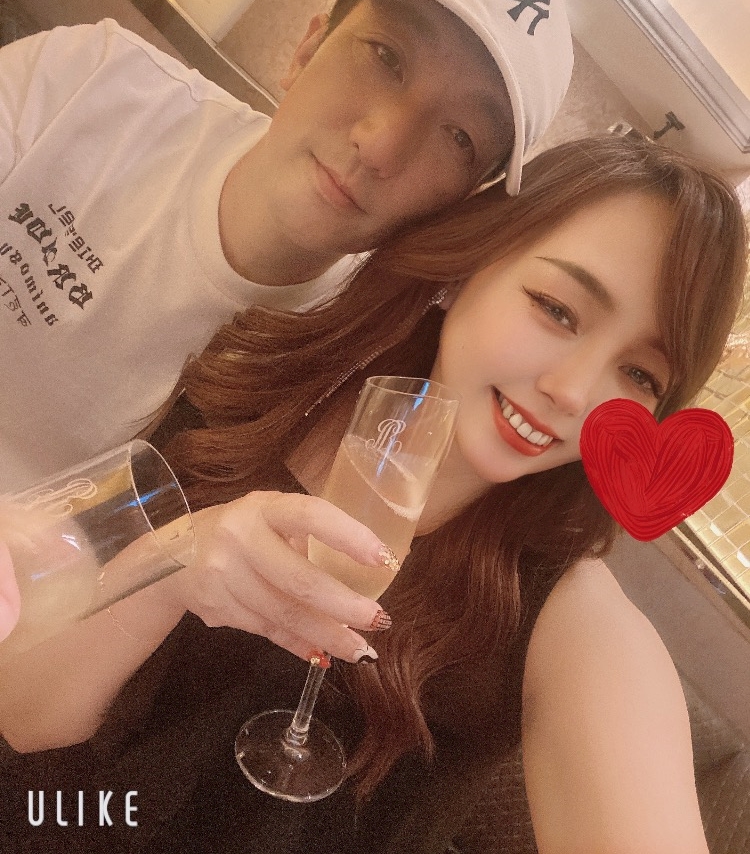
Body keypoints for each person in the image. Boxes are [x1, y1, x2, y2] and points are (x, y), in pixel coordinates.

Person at [0, 133, 744, 854]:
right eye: (557, 309)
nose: (573, 391)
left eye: (639, 375)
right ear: (469, 266)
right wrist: (174, 566)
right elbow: (22, 710)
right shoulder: (252, 385)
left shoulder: (568, 618)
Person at [0, 0, 573, 493]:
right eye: (386, 57)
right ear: (307, 49)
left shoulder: (353, 372)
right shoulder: (93, 80)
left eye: (460, 137)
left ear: (454, 207)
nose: (380, 146)